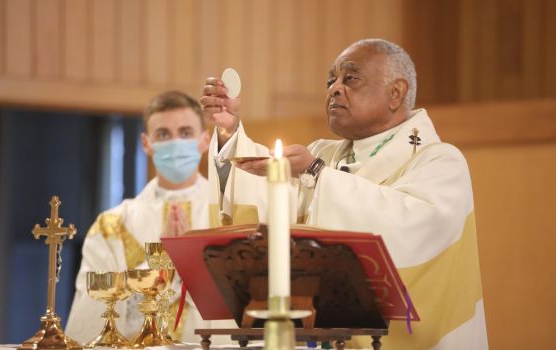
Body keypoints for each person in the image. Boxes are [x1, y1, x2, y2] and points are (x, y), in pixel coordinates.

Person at [200, 39, 488, 349]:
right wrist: (229, 133)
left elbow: (413, 234)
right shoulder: (325, 154)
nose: (334, 89)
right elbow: (269, 210)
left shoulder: (439, 161)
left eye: (350, 78)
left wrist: (317, 173)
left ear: (396, 93)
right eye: (330, 81)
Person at [65, 91, 236, 344]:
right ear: (146, 143)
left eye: (186, 133)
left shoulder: (229, 218)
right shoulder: (113, 224)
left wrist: (189, 265)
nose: (175, 143)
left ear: (204, 141)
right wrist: (161, 265)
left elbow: (241, 305)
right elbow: (90, 319)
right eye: (164, 134)